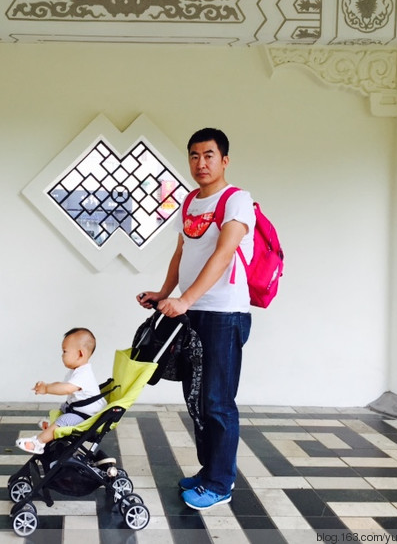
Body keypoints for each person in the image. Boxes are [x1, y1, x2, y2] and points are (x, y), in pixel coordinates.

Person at [136, 127, 255, 510]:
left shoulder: (237, 200)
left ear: (224, 160)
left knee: (218, 401)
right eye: (193, 156)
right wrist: (165, 293)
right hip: (193, 311)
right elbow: (181, 254)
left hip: (223, 313)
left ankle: (221, 483)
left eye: (208, 155)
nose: (200, 163)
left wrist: (185, 299)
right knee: (199, 399)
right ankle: (209, 472)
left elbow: (223, 255)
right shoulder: (189, 202)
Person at [15, 327, 107, 455]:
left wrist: (47, 388)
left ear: (80, 354)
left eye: (65, 351)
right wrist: (48, 386)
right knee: (64, 408)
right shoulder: (77, 371)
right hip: (79, 410)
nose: (62, 355)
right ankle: (52, 426)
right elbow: (63, 385)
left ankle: (38, 443)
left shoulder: (84, 374)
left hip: (87, 417)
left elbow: (66, 388)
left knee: (64, 420)